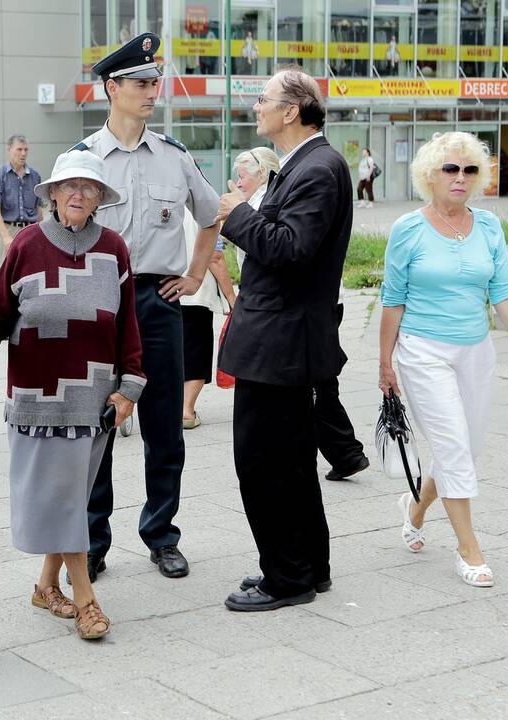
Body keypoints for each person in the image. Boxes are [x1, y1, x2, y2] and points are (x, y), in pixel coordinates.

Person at [0, 150, 144, 640]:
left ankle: (46, 585)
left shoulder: (114, 249)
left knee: (67, 497)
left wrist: (130, 385)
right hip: (36, 400)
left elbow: (128, 324)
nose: (79, 195)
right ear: (55, 194)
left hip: (94, 401)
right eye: (71, 187)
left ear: (100, 198)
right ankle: (85, 598)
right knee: (61, 500)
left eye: (89, 188)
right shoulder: (25, 245)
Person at [73, 33, 221, 582]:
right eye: (140, 82)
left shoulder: (174, 157)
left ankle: (161, 534)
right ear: (111, 88)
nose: (151, 90)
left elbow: (211, 217)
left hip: (156, 302)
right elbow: (58, 231)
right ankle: (92, 539)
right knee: (95, 426)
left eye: (155, 81)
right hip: (97, 304)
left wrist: (196, 275)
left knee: (164, 427)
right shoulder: (81, 160)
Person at [215, 66, 351, 612]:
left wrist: (238, 216)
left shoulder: (318, 168)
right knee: (291, 464)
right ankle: (305, 568)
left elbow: (292, 250)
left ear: (292, 110)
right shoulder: (305, 165)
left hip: (281, 344)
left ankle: (288, 577)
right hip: (281, 341)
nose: (256, 108)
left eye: (264, 100)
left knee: (266, 464)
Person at [380, 131, 508, 588]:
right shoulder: (408, 228)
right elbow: (393, 299)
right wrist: (385, 363)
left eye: (469, 170)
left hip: (475, 351)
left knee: (464, 449)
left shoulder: (488, 226)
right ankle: (469, 549)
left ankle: (414, 510)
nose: (460, 177)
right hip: (423, 351)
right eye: (451, 168)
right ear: (431, 174)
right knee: (452, 448)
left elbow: (504, 289)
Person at [233, 146, 366, 481]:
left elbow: (285, 248)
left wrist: (236, 213)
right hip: (303, 311)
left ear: (261, 172)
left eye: (242, 175)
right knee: (321, 385)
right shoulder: (276, 190)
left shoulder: (275, 193)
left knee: (314, 389)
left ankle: (344, 452)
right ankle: (345, 452)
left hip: (292, 314)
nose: (237, 182)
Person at [179, 211, 236, 429]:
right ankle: (186, 410)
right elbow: (215, 256)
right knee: (196, 353)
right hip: (196, 293)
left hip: (161, 289)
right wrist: (231, 298)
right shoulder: (202, 206)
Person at [0, 135, 42, 291]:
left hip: (30, 231)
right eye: (19, 149)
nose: (23, 153)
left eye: (26, 150)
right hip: (7, 230)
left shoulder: (35, 176)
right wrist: (5, 237)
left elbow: (39, 209)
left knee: (32, 273)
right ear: (9, 149)